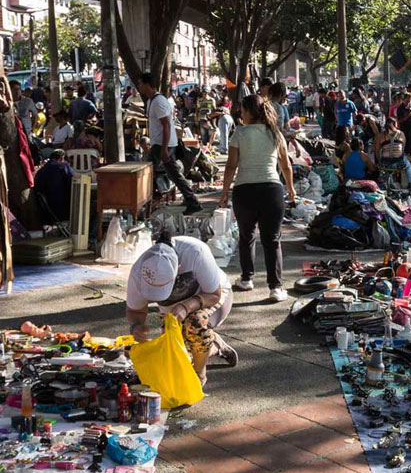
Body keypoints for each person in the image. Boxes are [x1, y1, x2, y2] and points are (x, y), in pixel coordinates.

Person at [218, 95, 296, 301]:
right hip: (272, 190)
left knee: (247, 236)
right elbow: (286, 165)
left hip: (245, 191)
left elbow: (231, 166)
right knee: (272, 240)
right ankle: (276, 288)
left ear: (250, 111)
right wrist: (291, 189)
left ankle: (246, 279)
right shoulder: (275, 133)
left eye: (243, 110)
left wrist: (224, 192)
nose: (240, 114)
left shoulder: (240, 134)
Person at [126, 229, 233, 379]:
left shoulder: (196, 251)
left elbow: (214, 295)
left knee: (195, 324)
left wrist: (186, 306)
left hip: (213, 296)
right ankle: (215, 346)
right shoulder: (139, 270)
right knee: (177, 353)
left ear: (179, 268)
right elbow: (134, 310)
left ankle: (199, 374)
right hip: (174, 311)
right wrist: (136, 327)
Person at [136, 72, 201, 212]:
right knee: (172, 175)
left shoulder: (158, 101)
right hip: (160, 144)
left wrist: (164, 148)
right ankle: (191, 201)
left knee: (147, 173)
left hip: (162, 145)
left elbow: (166, 125)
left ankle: (149, 203)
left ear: (147, 84)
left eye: (140, 83)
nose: (139, 87)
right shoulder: (152, 101)